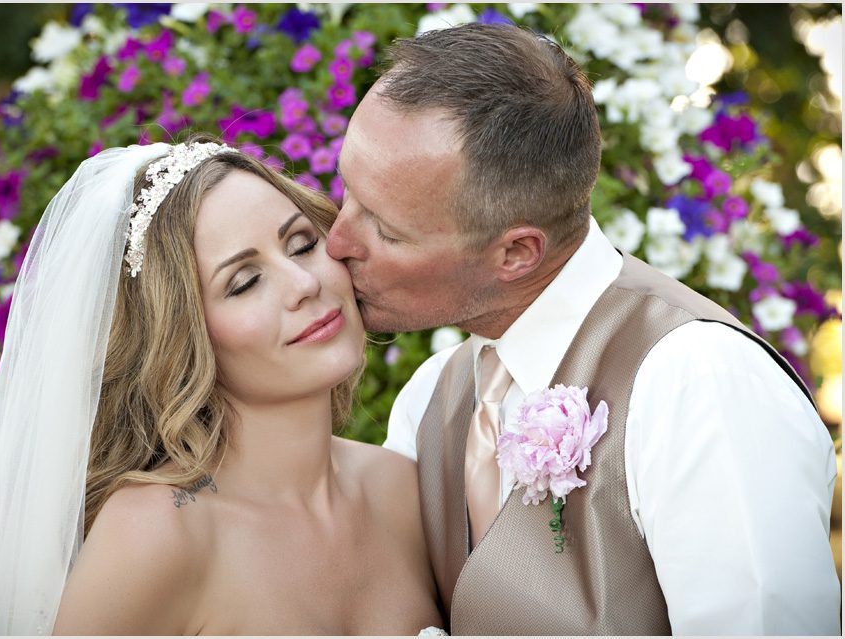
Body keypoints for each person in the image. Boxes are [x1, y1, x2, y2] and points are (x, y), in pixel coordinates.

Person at [326, 23, 841, 635]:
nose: (336, 242)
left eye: (386, 231)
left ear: (517, 253)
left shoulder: (698, 382)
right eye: (346, 194)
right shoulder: (430, 399)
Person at [0, 136, 442, 635]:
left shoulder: (402, 490)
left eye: (302, 244)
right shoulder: (155, 534)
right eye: (245, 282)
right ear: (184, 336)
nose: (303, 283)